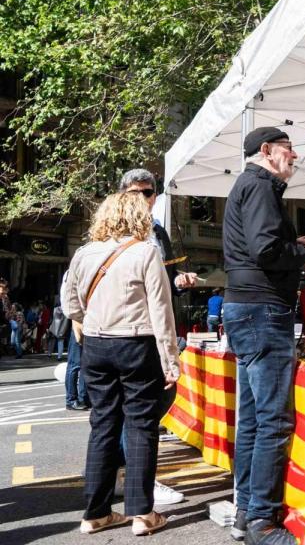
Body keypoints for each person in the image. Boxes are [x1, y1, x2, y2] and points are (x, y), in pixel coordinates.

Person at [223, 126, 305, 545]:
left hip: (245, 308)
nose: (295, 155)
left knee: (253, 419)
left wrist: (293, 242)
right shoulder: (261, 185)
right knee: (273, 421)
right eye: (288, 148)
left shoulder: (248, 186)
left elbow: (259, 245)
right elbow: (265, 251)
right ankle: (263, 523)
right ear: (266, 151)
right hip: (263, 311)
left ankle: (247, 511)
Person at [62, 192, 180, 536]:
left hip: (96, 345)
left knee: (103, 425)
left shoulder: (83, 254)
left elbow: (69, 303)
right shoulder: (145, 252)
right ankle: (141, 513)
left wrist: (94, 319)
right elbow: (162, 311)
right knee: (141, 425)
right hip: (137, 342)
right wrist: (170, 360)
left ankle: (95, 512)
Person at [119, 168, 193, 506]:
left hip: (156, 330)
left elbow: (168, 281)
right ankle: (138, 482)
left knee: (154, 404)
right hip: (124, 332)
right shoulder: (111, 232)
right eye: (136, 193)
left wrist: (179, 282)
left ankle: (131, 477)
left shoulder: (158, 232)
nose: (144, 200)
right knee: (134, 412)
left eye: (148, 193)